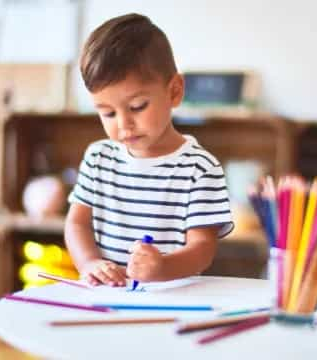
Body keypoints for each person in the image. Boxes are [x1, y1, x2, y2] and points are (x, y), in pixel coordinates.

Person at [65, 13, 233, 287]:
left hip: (172, 302)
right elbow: (77, 225)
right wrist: (89, 263)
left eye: (137, 107)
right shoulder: (98, 158)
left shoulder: (200, 167)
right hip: (108, 299)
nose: (124, 125)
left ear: (174, 91)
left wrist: (163, 267)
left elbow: (202, 250)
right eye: (107, 113)